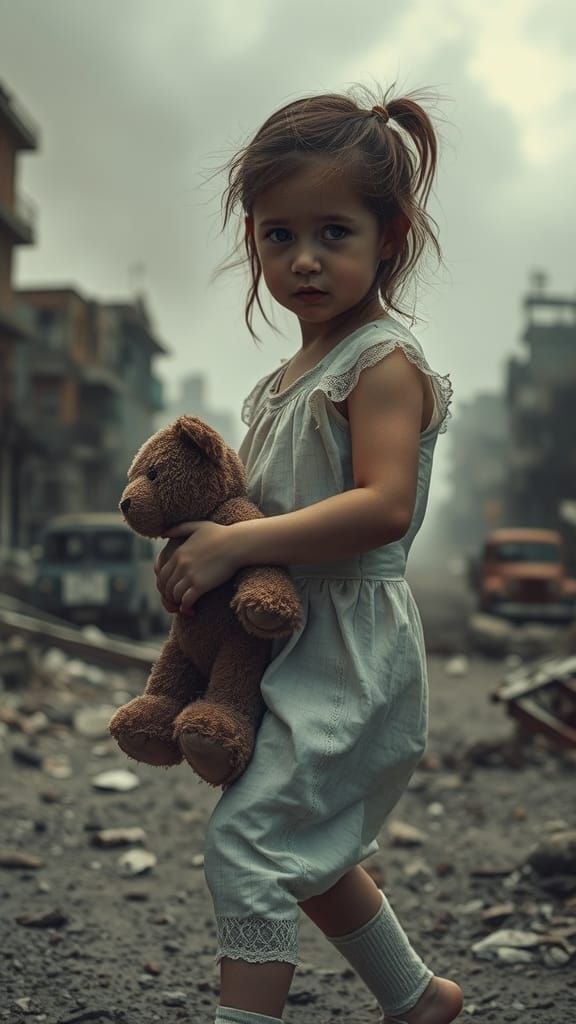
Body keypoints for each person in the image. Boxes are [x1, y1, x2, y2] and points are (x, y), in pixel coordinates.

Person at [155, 86, 463, 1024]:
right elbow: (254, 508)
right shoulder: (281, 381)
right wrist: (203, 550)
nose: (304, 260)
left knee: (250, 843)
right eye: (278, 236)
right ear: (253, 240)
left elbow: (382, 506)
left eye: (333, 232)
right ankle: (417, 999)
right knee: (308, 847)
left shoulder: (382, 363)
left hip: (352, 652)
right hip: (290, 643)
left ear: (391, 235)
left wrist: (239, 544)